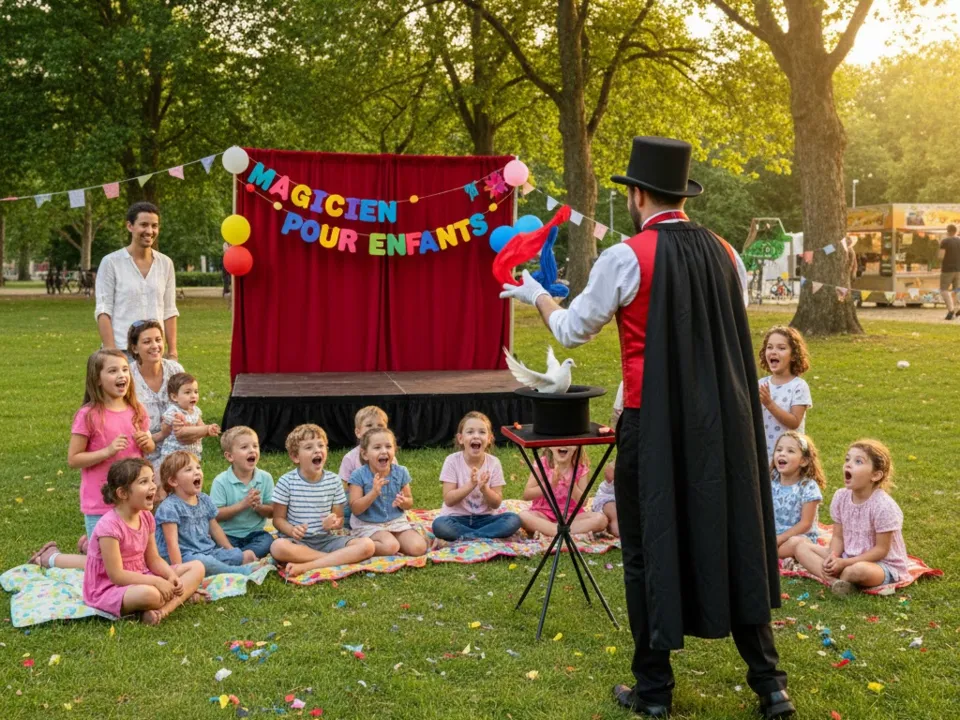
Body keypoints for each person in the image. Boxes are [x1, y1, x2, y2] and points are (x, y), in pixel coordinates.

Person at [500, 136, 791, 719]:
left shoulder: (626, 256)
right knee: (736, 536)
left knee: (644, 548)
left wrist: (536, 295)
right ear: (682, 195)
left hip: (652, 424)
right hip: (724, 426)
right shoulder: (727, 253)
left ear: (636, 195)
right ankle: (770, 686)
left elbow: (572, 330)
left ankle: (654, 691)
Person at [29, 350, 154, 570]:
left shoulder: (137, 411)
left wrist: (148, 443)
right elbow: (73, 459)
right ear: (97, 379)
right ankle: (51, 557)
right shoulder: (89, 415)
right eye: (113, 371)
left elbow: (148, 450)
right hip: (101, 502)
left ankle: (90, 545)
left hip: (133, 500)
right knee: (106, 568)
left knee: (133, 559)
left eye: (125, 370)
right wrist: (108, 451)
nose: (122, 375)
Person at [82, 458, 205, 625]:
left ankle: (162, 611)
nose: (153, 486)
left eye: (152, 480)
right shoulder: (108, 527)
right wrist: (157, 581)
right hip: (110, 588)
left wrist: (170, 576)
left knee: (197, 567)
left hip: (143, 575)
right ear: (123, 493)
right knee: (151, 595)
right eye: (144, 482)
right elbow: (117, 576)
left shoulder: (146, 517)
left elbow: (153, 559)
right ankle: (181, 596)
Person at [793, 439, 908, 595]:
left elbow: (881, 550)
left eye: (858, 461)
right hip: (845, 556)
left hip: (880, 564)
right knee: (800, 547)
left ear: (875, 475)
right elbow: (838, 537)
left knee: (856, 571)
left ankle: (842, 576)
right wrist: (833, 557)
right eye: (847, 459)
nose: (848, 465)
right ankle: (835, 582)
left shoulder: (884, 506)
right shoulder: (841, 497)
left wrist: (845, 563)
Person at [270, 424, 376, 576]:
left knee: (367, 545)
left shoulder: (334, 481)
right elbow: (278, 520)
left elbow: (339, 519)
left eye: (321, 445)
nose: (317, 450)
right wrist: (292, 530)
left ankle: (308, 565)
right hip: (297, 542)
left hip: (326, 540)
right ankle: (334, 559)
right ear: (295, 457)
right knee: (277, 547)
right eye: (309, 447)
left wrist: (334, 523)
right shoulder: (286, 482)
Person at [95, 202, 179, 358]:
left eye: (154, 226)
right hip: (122, 351)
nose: (150, 231)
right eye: (144, 225)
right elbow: (103, 310)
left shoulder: (166, 263)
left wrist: (172, 352)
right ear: (130, 226)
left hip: (155, 352)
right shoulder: (111, 262)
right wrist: (111, 352)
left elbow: (169, 310)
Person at [154, 451, 257, 576]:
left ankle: (228, 565)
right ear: (173, 481)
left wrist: (230, 550)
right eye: (189, 470)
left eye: (198, 467)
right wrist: (179, 570)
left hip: (207, 550)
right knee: (203, 562)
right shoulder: (169, 507)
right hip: (183, 556)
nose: (197, 472)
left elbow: (215, 528)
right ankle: (237, 571)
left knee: (237, 555)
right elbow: (172, 544)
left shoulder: (204, 499)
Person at [430, 412, 522, 544]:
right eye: (470, 432)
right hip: (456, 519)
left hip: (486, 519)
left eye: (482, 432)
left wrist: (484, 489)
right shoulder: (452, 461)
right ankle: (484, 536)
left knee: (513, 519)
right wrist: (471, 485)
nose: (476, 436)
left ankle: (470, 537)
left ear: (489, 438)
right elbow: (449, 500)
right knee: (439, 525)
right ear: (460, 438)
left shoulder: (494, 463)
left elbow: (496, 503)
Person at [348, 428, 427, 557]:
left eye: (388, 446)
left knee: (419, 548)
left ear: (394, 450)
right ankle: (359, 546)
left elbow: (409, 502)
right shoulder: (358, 475)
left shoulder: (401, 472)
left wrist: (403, 502)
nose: (384, 451)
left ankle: (392, 541)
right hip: (369, 525)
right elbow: (355, 509)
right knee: (391, 546)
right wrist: (373, 493)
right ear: (365, 454)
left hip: (396, 522)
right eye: (377, 447)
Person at [127, 320, 184, 473]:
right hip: (143, 448)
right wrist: (157, 436)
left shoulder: (175, 370)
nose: (155, 346)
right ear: (134, 348)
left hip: (176, 444)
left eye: (158, 340)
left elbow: (189, 406)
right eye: (147, 342)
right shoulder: (128, 376)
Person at [210, 426, 275, 560]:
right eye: (244, 447)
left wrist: (259, 507)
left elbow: (272, 512)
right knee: (215, 543)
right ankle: (242, 556)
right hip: (228, 535)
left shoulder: (265, 478)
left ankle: (237, 557)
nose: (252, 450)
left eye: (255, 446)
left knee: (268, 541)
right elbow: (215, 515)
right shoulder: (221, 481)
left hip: (255, 534)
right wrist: (243, 505)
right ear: (230, 456)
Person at [519, 446, 607, 538]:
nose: (563, 445)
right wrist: (549, 484)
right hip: (543, 514)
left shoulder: (580, 469)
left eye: (569, 442)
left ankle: (554, 530)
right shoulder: (542, 464)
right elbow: (527, 495)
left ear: (576, 446)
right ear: (549, 446)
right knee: (523, 516)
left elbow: (583, 502)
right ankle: (559, 530)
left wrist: (571, 485)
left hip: (572, 517)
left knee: (601, 519)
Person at [758, 326, 813, 464]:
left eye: (781, 348)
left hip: (789, 455)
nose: (773, 351)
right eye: (769, 347)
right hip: (763, 454)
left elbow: (794, 422)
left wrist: (769, 404)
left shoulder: (798, 386)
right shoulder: (761, 384)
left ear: (794, 355)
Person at [769, 431, 826, 560]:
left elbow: (805, 524)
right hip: (772, 536)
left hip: (797, 536)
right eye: (779, 450)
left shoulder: (808, 487)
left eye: (790, 451)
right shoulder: (771, 481)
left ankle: (772, 552)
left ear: (804, 461)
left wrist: (779, 539)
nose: (782, 453)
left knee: (798, 544)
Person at [338, 406, 395, 526]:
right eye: (369, 425)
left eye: (380, 426)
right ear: (358, 432)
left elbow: (395, 478)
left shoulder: (389, 457)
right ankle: (351, 521)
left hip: (381, 496)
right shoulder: (350, 458)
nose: (374, 429)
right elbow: (343, 487)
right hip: (358, 499)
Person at [154, 373, 220, 472]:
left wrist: (209, 430)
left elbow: (201, 426)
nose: (193, 396)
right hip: (174, 456)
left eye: (196, 392)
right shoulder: (174, 412)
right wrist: (205, 429)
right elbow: (170, 431)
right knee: (176, 476)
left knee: (190, 475)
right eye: (187, 392)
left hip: (192, 453)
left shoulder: (196, 411)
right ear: (174, 397)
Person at [938, 223, 960, 319]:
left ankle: (951, 311)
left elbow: (941, 256)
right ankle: (957, 308)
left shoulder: (945, 241)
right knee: (956, 289)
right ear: (956, 231)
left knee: (944, 290)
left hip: (947, 269)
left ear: (948, 231)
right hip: (959, 269)